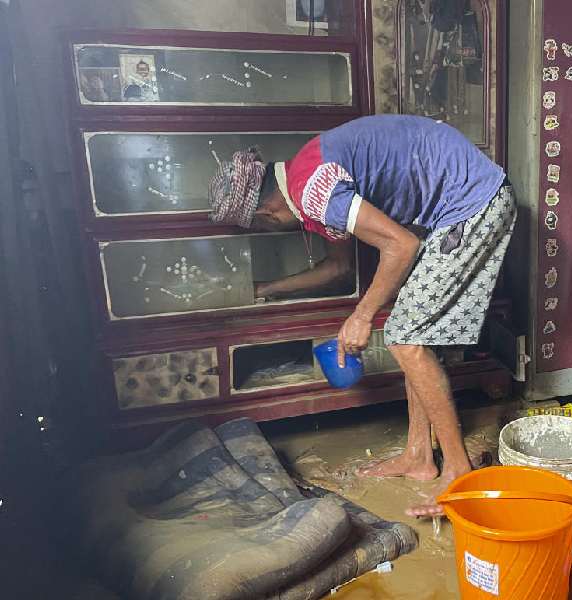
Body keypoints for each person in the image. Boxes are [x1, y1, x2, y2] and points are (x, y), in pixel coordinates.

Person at [208, 115, 516, 515]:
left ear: (267, 214)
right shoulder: (304, 177)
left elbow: (401, 245)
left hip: (474, 203)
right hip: (456, 207)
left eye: (263, 228)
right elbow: (339, 268)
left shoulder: (312, 190)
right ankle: (419, 456)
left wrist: (361, 315)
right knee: (410, 333)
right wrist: (266, 289)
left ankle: (458, 470)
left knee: (405, 338)